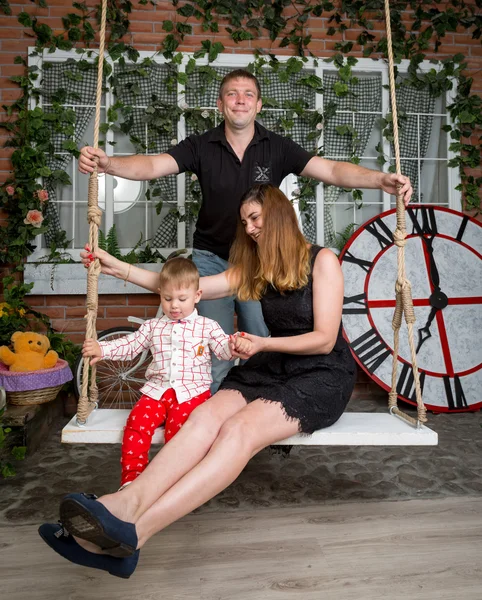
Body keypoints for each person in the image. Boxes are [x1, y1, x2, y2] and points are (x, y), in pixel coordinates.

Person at [39, 184, 360, 579]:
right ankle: (124, 505)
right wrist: (117, 266)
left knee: (238, 431)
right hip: (270, 365)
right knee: (204, 416)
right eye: (245, 222)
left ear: (277, 214)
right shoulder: (257, 265)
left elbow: (325, 338)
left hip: (321, 373)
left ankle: (133, 537)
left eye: (255, 218)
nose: (250, 228)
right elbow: (186, 289)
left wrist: (261, 343)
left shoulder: (322, 260)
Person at [77, 68, 413, 392]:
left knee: (260, 341)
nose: (240, 100)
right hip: (211, 259)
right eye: (231, 94)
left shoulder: (277, 147)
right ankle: (205, 419)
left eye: (248, 94)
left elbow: (333, 171)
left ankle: (266, 410)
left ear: (258, 105)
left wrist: (380, 180)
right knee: (215, 349)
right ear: (220, 105)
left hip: (259, 262)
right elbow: (153, 165)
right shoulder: (201, 145)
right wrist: (109, 165)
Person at [81, 257, 248, 490]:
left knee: (180, 433)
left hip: (191, 394)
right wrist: (103, 348)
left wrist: (234, 346)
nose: (175, 306)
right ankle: (132, 480)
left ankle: (173, 482)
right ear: (160, 294)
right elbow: (131, 345)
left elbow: (222, 349)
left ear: (197, 296)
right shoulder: (153, 327)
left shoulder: (206, 326)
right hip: (157, 392)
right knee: (137, 424)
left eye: (182, 299)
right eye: (168, 299)